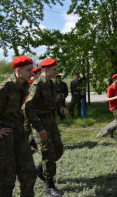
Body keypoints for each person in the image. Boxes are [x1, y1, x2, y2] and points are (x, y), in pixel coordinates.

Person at [25, 58, 67, 197]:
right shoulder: (37, 85)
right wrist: (38, 127)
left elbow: (55, 99)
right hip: (40, 124)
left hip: (51, 122)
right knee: (48, 154)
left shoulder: (50, 83)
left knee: (58, 150)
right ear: (45, 70)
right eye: (54, 69)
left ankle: (39, 171)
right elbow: (27, 108)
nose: (56, 72)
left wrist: (60, 107)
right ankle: (49, 186)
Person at [0, 56, 36, 197]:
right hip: (5, 138)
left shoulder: (24, 85)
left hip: (20, 134)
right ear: (18, 70)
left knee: (29, 173)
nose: (32, 73)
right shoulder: (5, 89)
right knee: (6, 179)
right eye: (29, 70)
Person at [25, 66, 41, 150]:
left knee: (34, 127)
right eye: (39, 73)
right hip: (27, 109)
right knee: (27, 128)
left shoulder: (36, 83)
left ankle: (33, 142)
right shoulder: (30, 83)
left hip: (34, 109)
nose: (40, 75)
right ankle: (23, 144)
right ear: (34, 75)